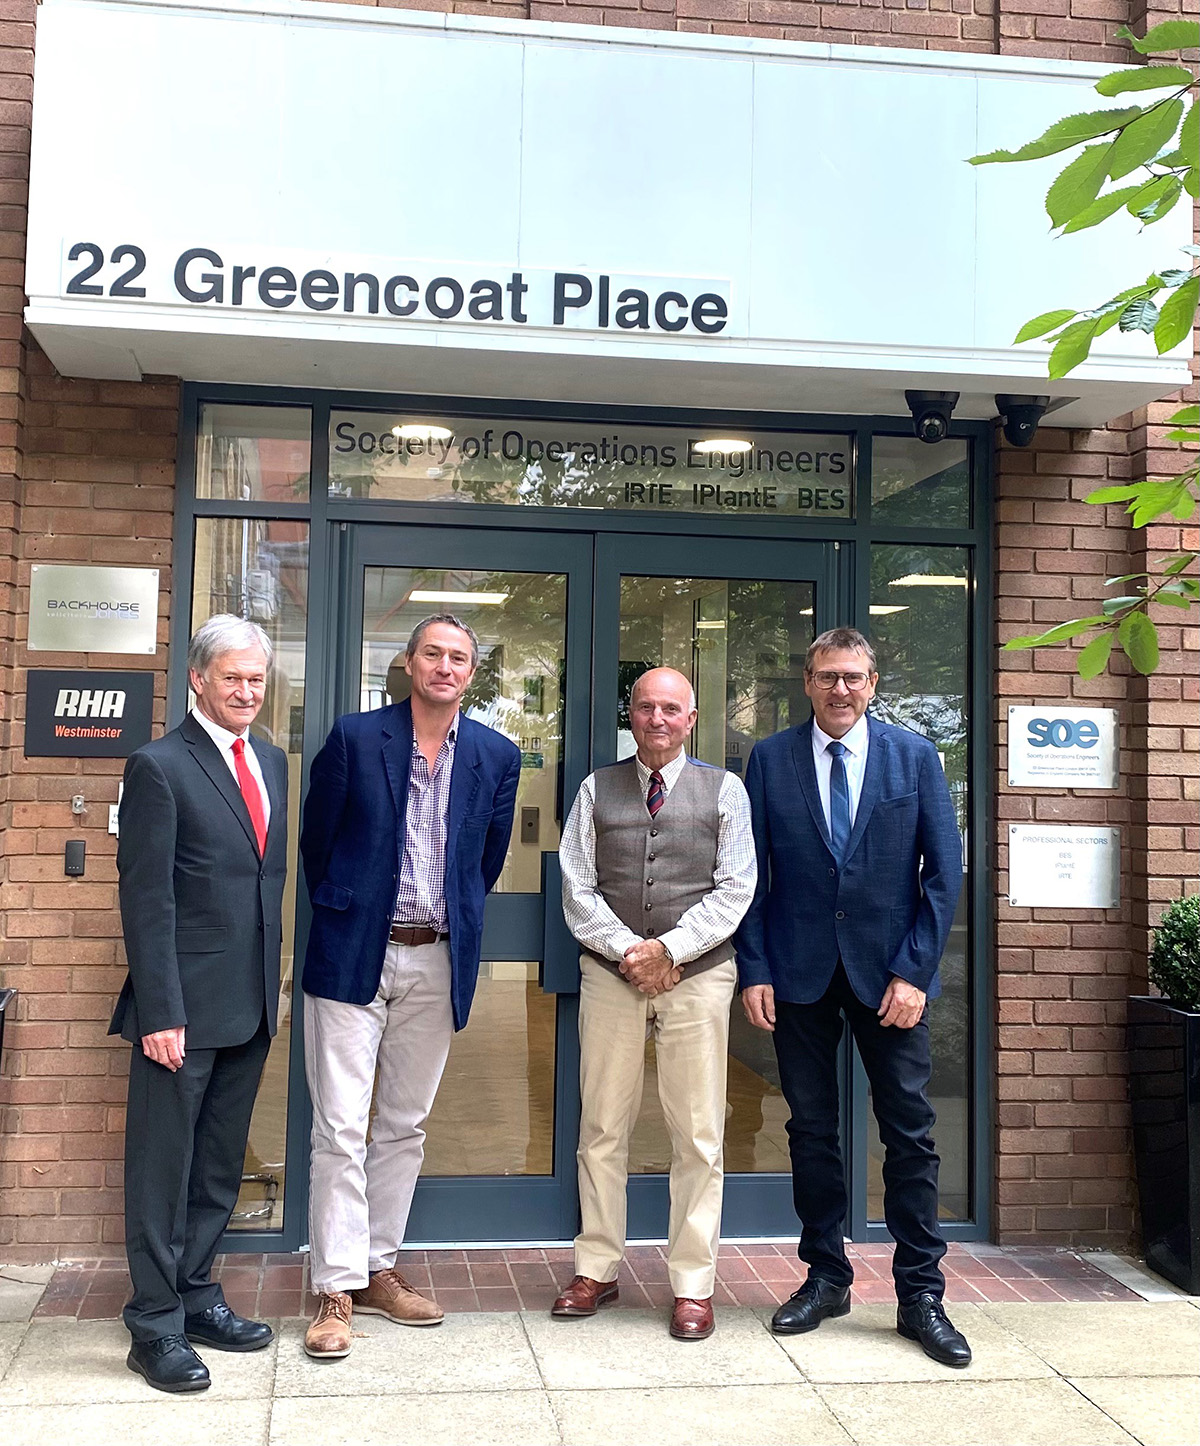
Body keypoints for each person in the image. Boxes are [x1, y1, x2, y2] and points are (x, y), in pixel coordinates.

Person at [735, 626, 971, 1368]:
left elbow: (943, 874)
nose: (841, 689)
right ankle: (826, 1276)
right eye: (828, 676)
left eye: (854, 677)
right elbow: (749, 876)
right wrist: (755, 968)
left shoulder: (914, 756)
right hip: (800, 973)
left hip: (889, 979)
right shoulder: (769, 761)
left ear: (873, 685)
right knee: (809, 1129)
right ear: (807, 682)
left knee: (910, 1133)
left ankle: (920, 1294)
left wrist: (915, 971)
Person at [300, 613, 520, 1359]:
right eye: (434, 653)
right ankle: (334, 1285)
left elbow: (483, 866)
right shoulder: (357, 738)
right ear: (408, 662)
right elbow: (317, 842)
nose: (445, 667)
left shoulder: (496, 754)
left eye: (459, 657)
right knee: (338, 1125)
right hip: (351, 953)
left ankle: (377, 1269)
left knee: (403, 1125)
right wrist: (351, 910)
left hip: (436, 959)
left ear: (472, 672)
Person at [553, 667, 756, 1341]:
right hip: (612, 977)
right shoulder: (594, 788)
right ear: (630, 715)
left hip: (699, 978)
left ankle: (693, 1284)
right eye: (646, 707)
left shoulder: (727, 790)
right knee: (602, 1126)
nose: (658, 718)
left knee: (697, 1133)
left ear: (691, 719)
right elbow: (578, 886)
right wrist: (630, 954)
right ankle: (597, 1268)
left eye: (672, 708)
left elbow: (735, 889)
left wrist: (669, 949)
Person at [112, 615, 287, 1393]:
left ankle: (196, 1294)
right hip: (179, 1012)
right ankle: (152, 1323)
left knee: (217, 1165)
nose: (246, 691)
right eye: (232, 678)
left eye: (256, 679)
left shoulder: (275, 763)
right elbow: (146, 899)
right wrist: (160, 1011)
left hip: (248, 1002)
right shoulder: (158, 765)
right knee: (162, 1168)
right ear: (198, 679)